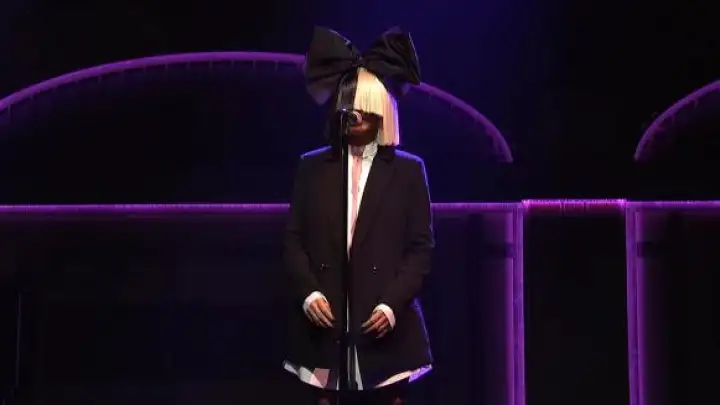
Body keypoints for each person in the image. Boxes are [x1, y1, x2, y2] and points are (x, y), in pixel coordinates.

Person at [283, 27, 434, 405]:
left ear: (381, 113)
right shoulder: (312, 168)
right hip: (323, 327)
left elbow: (420, 249)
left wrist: (391, 305)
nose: (355, 118)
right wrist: (309, 293)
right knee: (322, 395)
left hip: (386, 327)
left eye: (364, 111)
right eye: (349, 110)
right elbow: (293, 239)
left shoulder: (408, 171)